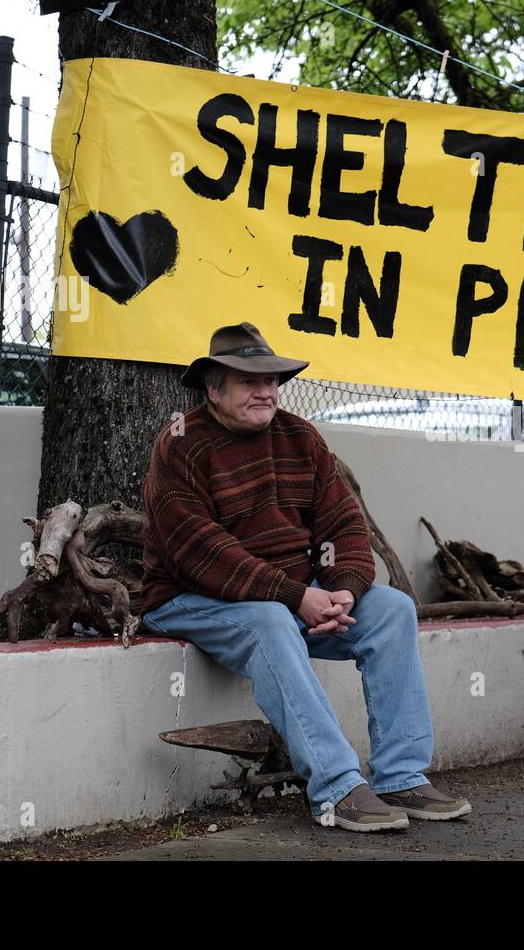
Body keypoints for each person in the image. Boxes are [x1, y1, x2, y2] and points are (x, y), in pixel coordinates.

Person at [139, 321, 470, 832]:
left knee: (392, 611)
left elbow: (344, 524)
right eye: (249, 380)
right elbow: (199, 552)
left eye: (272, 379)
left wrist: (344, 590)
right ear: (213, 388)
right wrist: (297, 597)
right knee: (270, 621)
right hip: (189, 599)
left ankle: (402, 775)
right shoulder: (180, 444)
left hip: (287, 599)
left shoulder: (300, 437)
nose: (265, 389)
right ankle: (337, 788)